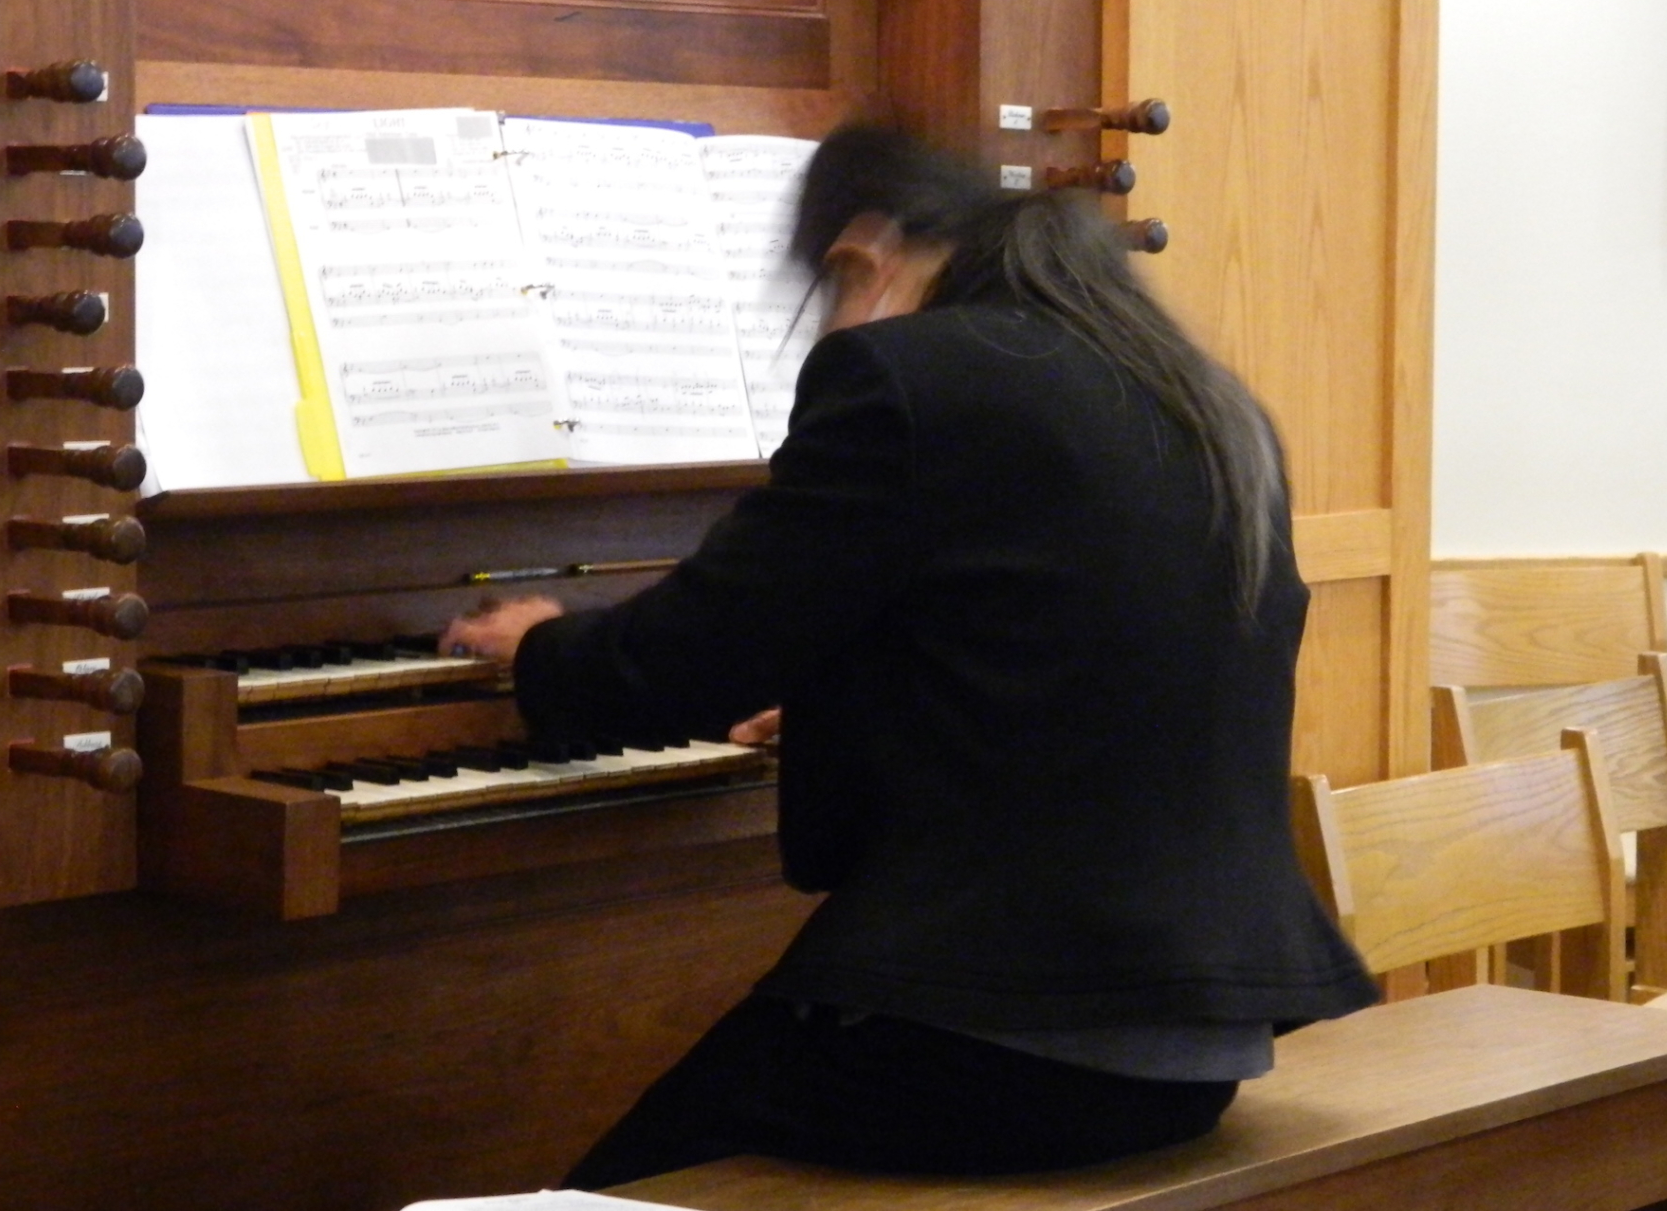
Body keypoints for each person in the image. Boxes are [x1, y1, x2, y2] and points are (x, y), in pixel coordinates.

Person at [443, 125, 1376, 1190]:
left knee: (610, 1193)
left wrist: (540, 649)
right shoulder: (1196, 395)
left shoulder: (905, 374)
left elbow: (682, 665)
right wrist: (862, 697)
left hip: (1002, 1035)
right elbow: (1092, 660)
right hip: (1196, 1035)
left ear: (863, 256)